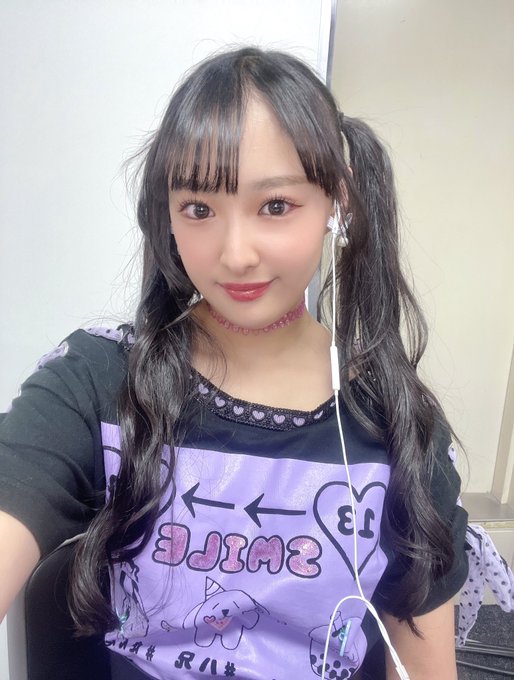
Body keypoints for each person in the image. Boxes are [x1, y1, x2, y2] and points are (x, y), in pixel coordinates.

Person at [0, 46, 469, 679]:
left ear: (337, 201)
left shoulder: (396, 424)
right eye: (199, 209)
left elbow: (424, 665)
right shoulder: (97, 381)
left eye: (275, 206)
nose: (236, 254)